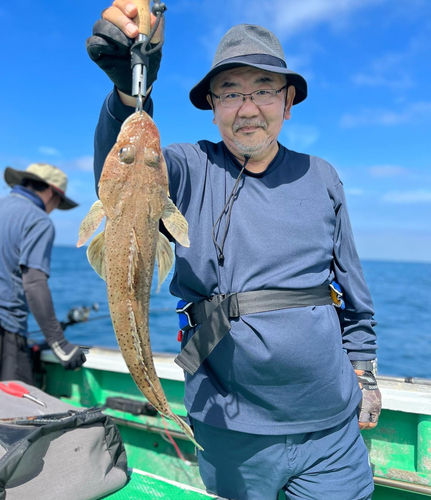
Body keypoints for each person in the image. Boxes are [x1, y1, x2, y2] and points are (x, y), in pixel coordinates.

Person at [87, 5, 382, 500]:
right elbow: (118, 173)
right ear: (213, 105)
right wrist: (127, 91)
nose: (248, 108)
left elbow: (352, 288)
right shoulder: (183, 166)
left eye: (264, 90)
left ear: (288, 103)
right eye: (230, 93)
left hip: (331, 427)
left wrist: (366, 373)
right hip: (230, 428)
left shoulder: (324, 175)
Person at [0, 163, 87, 385]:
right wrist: (60, 344)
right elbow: (34, 283)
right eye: (59, 201)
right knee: (16, 415)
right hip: (6, 329)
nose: (55, 207)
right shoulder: (38, 221)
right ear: (51, 192)